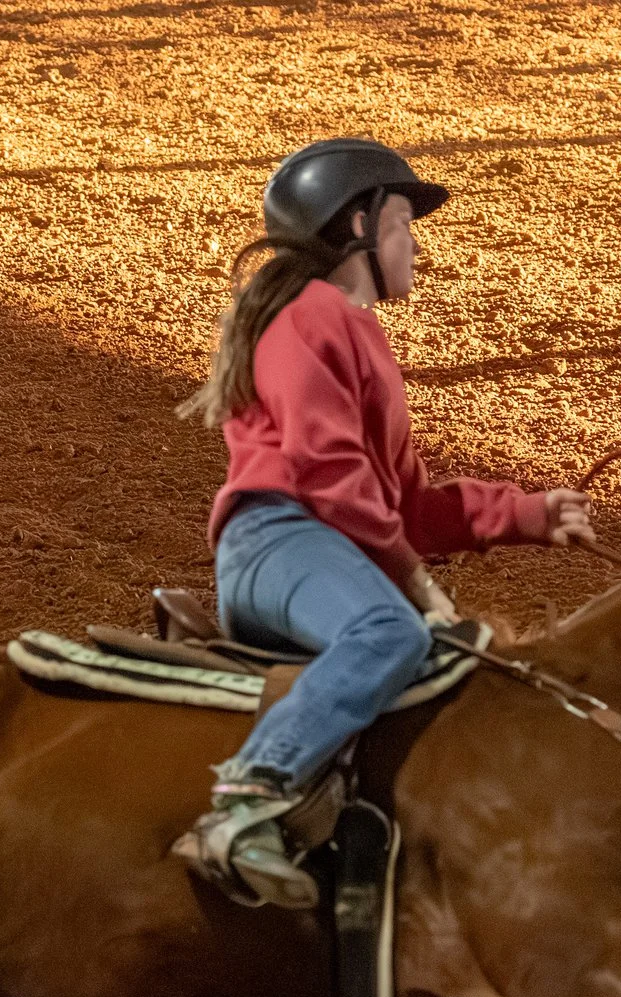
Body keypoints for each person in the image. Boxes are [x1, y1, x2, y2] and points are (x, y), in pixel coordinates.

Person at [175, 138, 597, 909]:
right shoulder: (310, 317)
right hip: (280, 540)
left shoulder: (348, 330)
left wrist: (529, 513)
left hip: (317, 550)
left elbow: (404, 505)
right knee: (390, 634)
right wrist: (413, 580)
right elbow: (329, 474)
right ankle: (248, 797)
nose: (416, 247)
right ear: (359, 228)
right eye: (403, 225)